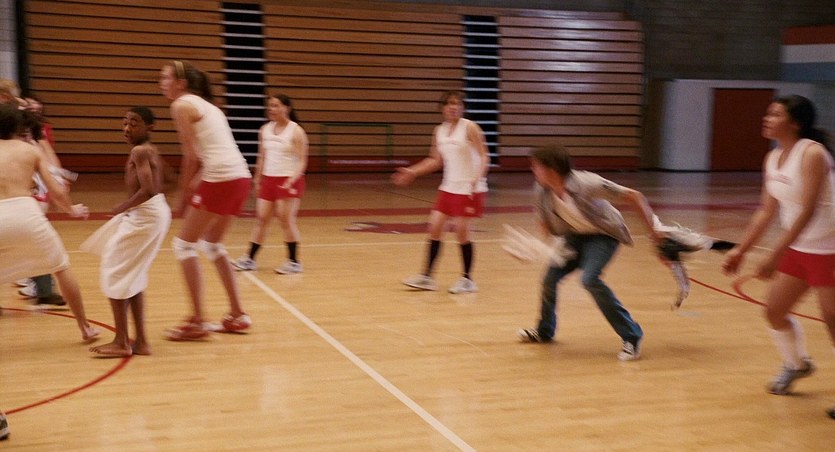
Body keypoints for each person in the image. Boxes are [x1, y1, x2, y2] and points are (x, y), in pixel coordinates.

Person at [721, 95, 835, 416]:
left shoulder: (811, 153)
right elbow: (766, 210)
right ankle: (797, 364)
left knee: (832, 318)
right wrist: (741, 250)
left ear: (795, 123)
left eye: (775, 114)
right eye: (768, 113)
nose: (767, 119)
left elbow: (809, 211)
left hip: (829, 248)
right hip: (800, 248)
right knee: (774, 312)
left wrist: (774, 255)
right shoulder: (772, 158)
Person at [516, 143, 665, 361]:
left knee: (589, 279)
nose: (532, 170)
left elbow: (635, 196)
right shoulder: (541, 190)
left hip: (603, 235)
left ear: (551, 169)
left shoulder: (587, 183)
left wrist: (654, 233)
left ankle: (632, 336)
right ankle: (544, 331)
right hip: (574, 236)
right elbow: (546, 227)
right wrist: (533, 249)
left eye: (536, 166)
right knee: (549, 279)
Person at [159, 60, 252, 341]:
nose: (161, 83)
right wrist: (194, 184)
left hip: (221, 178)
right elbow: (212, 153)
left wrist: (183, 194)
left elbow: (191, 156)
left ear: (181, 83)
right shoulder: (208, 106)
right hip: (240, 176)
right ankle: (237, 314)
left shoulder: (181, 105)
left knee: (183, 245)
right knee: (212, 245)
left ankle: (197, 321)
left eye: (166, 78)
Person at [0, 104, 99, 341]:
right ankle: (85, 328)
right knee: (61, 267)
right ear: (18, 128)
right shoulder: (30, 151)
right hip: (25, 212)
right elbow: (56, 191)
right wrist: (71, 210)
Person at [84, 107, 171, 357]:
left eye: (134, 123)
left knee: (113, 269)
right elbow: (168, 181)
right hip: (152, 213)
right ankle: (141, 342)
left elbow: (148, 190)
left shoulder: (139, 151)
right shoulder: (151, 150)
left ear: (150, 127)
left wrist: (121, 207)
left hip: (145, 215)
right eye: (125, 122)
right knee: (133, 276)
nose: (127, 128)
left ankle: (121, 342)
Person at [392, 90, 489, 294]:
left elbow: (484, 156)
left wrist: (477, 178)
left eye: (457, 103)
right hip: (448, 187)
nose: (453, 107)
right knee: (434, 227)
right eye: (449, 103)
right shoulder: (439, 131)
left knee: (462, 233)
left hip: (469, 188)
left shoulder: (470, 127)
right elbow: (435, 160)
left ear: (462, 107)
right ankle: (427, 277)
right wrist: (412, 171)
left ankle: (467, 279)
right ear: (442, 108)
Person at [232, 93, 308, 274]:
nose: (271, 109)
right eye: (270, 106)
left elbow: (302, 161)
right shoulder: (265, 130)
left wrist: (291, 180)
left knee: (285, 220)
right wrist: (257, 179)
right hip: (269, 179)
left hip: (288, 179)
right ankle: (249, 259)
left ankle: (294, 262)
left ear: (286, 108)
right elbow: (262, 157)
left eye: (276, 105)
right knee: (261, 219)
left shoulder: (296, 131)